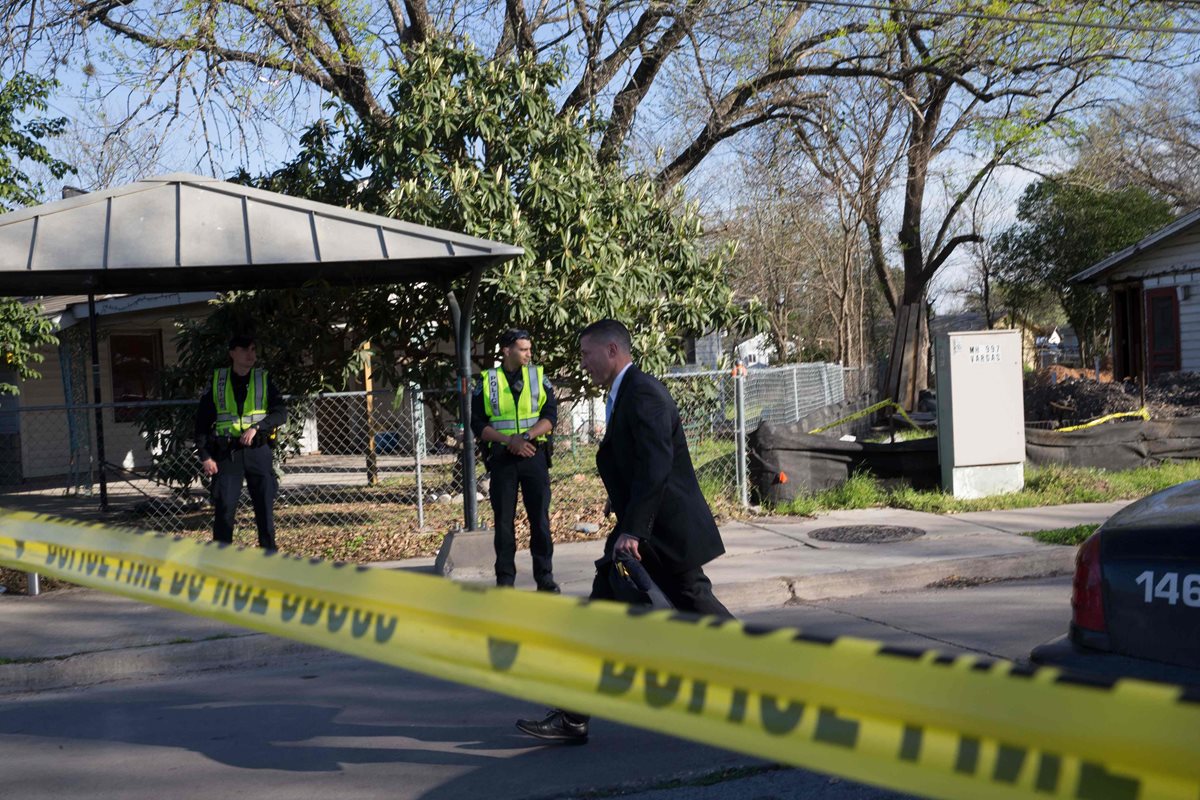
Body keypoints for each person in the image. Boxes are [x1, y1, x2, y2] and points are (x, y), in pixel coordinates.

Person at [515, 318, 733, 744]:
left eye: (586, 354)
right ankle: (574, 716)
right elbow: (638, 464)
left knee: (701, 609)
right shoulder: (625, 393)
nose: (583, 363)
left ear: (612, 350)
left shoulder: (643, 392)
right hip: (643, 532)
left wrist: (633, 529)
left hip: (662, 535)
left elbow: (657, 465)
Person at [471, 329, 559, 591]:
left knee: (540, 520)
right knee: (504, 522)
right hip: (503, 458)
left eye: (530, 349)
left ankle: (545, 578)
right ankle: (505, 581)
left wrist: (525, 437)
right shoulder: (487, 381)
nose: (528, 354)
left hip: (534, 455)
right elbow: (478, 424)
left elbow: (550, 417)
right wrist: (510, 441)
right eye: (523, 349)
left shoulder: (539, 377)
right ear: (507, 350)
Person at [194, 333, 287, 551]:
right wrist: (205, 456)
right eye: (245, 350)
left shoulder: (263, 379)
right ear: (232, 353)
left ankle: (269, 559)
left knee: (264, 509)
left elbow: (281, 413)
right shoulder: (218, 382)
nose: (250, 354)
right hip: (228, 454)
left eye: (253, 350)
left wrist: (257, 427)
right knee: (225, 510)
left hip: (258, 451)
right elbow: (201, 423)